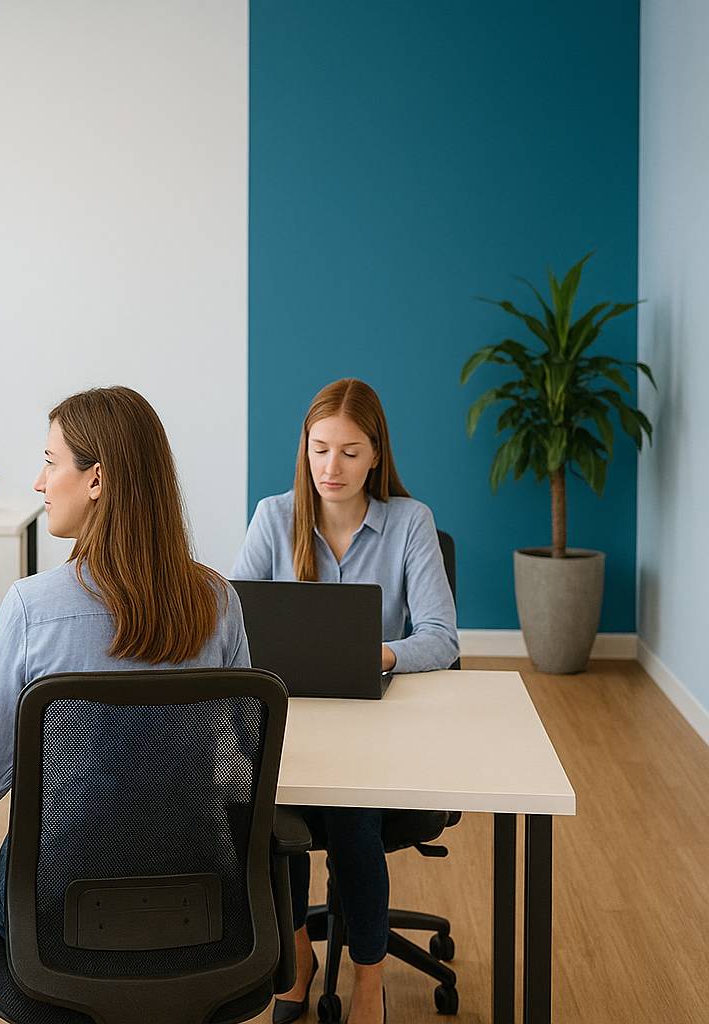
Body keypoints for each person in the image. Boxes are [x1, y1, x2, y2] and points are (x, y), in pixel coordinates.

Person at [0, 385, 251, 927]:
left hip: (55, 913)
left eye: (50, 462)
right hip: (199, 903)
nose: (39, 482)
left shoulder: (29, 609)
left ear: (97, 479)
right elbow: (236, 776)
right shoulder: (220, 604)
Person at [231, 377, 457, 1024]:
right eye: (320, 449)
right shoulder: (275, 517)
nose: (332, 467)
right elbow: (235, 619)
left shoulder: (410, 523)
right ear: (304, 449)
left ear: (377, 454)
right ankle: (297, 955)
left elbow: (441, 639)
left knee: (354, 815)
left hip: (376, 728)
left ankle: (368, 981)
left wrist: (377, 653)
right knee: (279, 814)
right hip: (294, 724)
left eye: (350, 452)